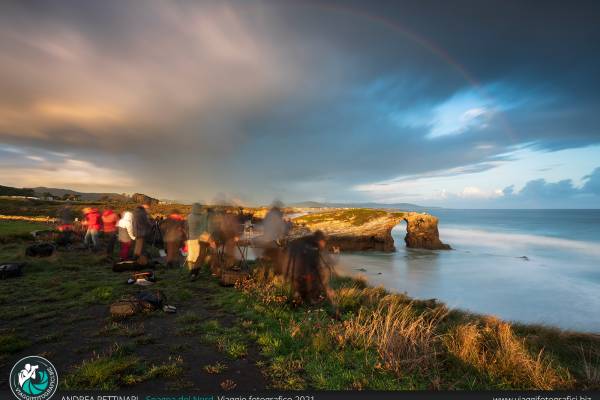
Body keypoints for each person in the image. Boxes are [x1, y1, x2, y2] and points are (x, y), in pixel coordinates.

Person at [284, 230, 333, 305]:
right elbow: (315, 266)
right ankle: (311, 299)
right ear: (320, 240)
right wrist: (326, 288)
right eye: (324, 241)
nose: (324, 244)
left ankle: (299, 296)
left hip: (295, 275)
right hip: (302, 277)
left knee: (317, 275)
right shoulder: (313, 249)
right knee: (319, 276)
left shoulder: (306, 244)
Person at [186, 203, 209, 277]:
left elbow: (187, 227)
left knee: (191, 256)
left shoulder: (189, 216)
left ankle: (191, 271)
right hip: (197, 239)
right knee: (197, 257)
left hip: (190, 238)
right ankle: (194, 273)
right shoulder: (201, 217)